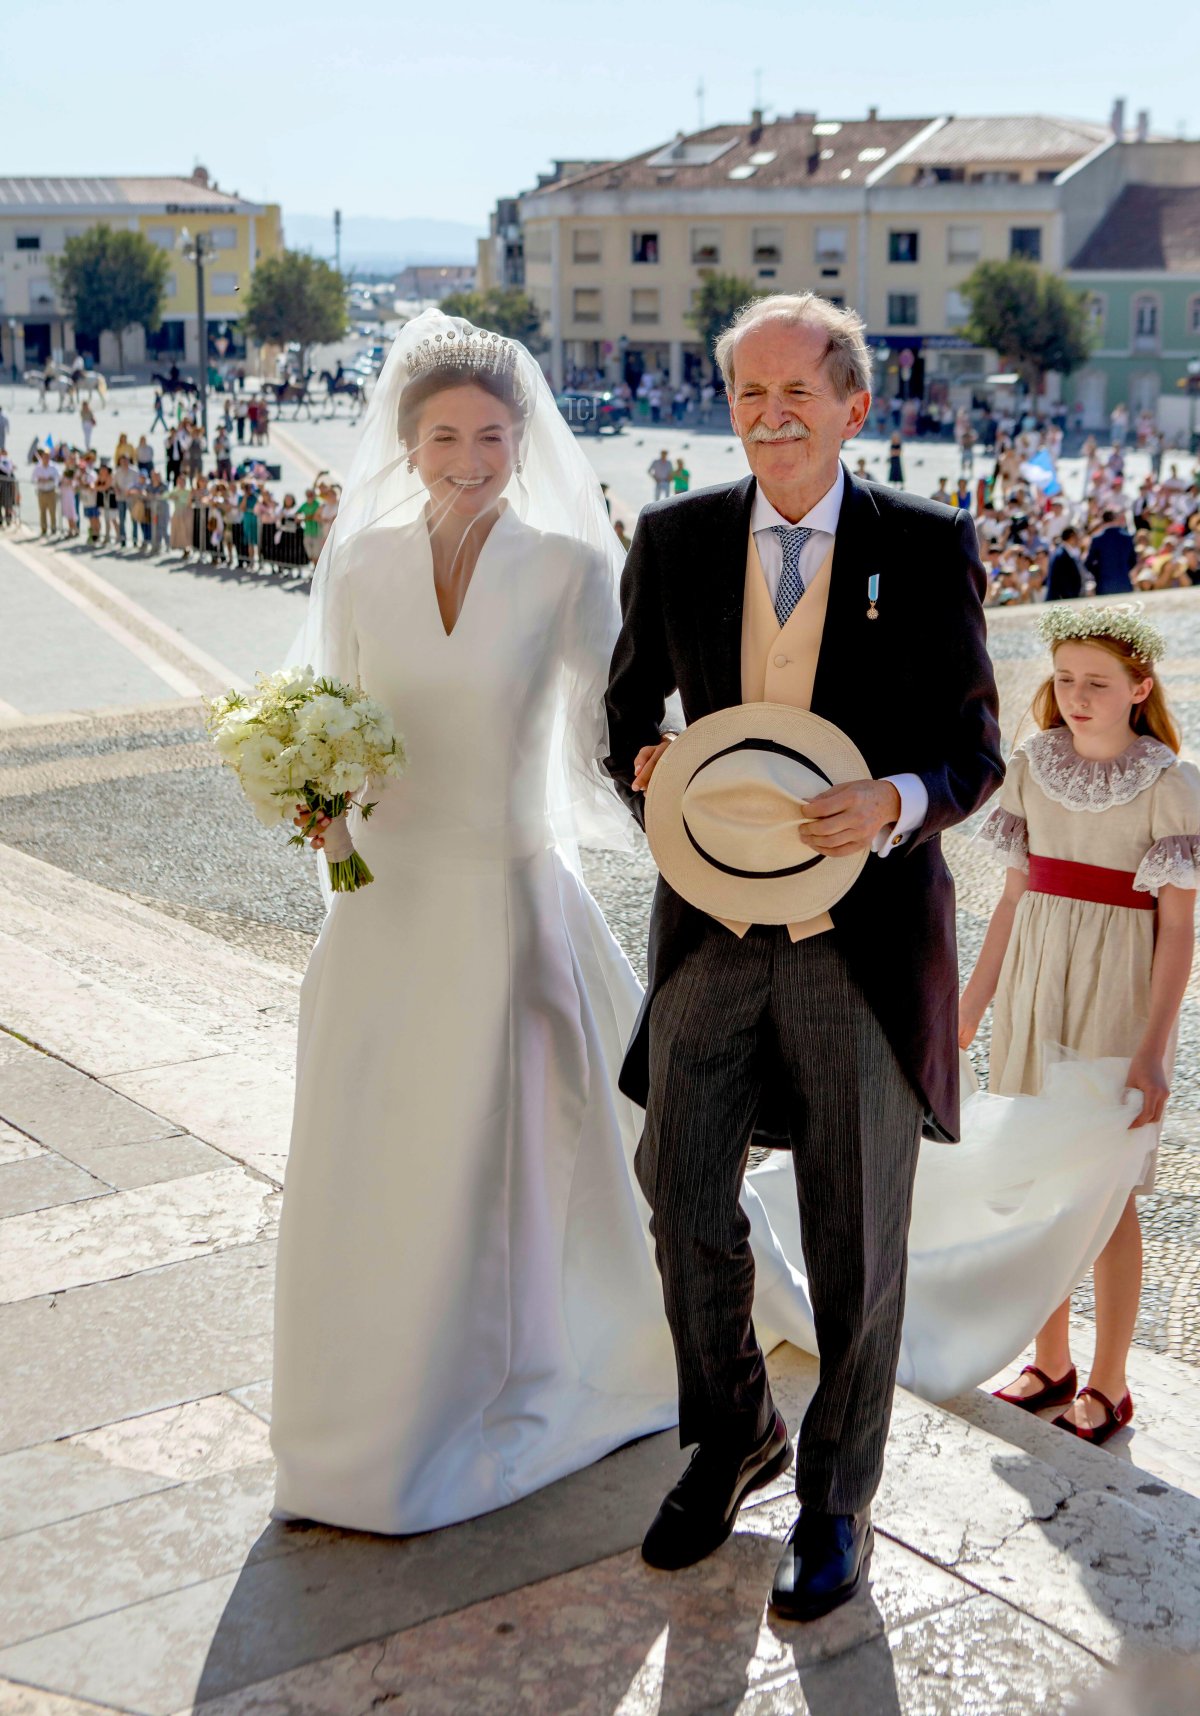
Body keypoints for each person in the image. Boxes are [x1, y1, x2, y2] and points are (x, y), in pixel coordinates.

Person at [604, 292, 1002, 1620]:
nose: (771, 419)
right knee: (680, 1188)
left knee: (856, 1232)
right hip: (709, 935)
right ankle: (733, 1435)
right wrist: (648, 765)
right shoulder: (672, 538)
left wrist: (895, 801)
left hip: (864, 945)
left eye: (796, 395)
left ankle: (837, 1495)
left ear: (853, 408)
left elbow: (974, 753)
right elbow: (623, 719)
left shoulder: (929, 543)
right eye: (747, 397)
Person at [271, 311, 678, 1534]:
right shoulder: (359, 562)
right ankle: (358, 1404)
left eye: (491, 436)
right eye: (444, 434)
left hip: (500, 896)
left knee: (482, 1156)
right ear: (406, 437)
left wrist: (711, 809)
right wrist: (316, 801)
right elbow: (327, 706)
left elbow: (620, 735)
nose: (467, 456)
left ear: (523, 436)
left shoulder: (565, 563)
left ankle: (483, 1387)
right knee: (371, 1145)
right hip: (382, 901)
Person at [962, 606, 1198, 1444]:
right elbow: (1013, 898)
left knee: (1105, 1198)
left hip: (1115, 998)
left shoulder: (1170, 783)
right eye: (1065, 680)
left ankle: (1110, 1382)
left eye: (1097, 683)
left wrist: (1155, 1049)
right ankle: (1050, 1360)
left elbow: (1178, 928)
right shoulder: (1031, 766)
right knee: (1039, 1183)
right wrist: (969, 1007)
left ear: (1140, 688)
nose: (1076, 696)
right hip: (1036, 986)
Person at [1086, 509, 1138, 594]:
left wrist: (1099, 573)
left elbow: (1089, 563)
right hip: (1124, 583)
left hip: (1104, 585)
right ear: (1115, 519)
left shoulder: (1097, 539)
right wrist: (1123, 570)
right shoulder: (1127, 537)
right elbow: (1133, 560)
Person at [1046, 525, 1086, 600]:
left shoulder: (1066, 552)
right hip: (1062, 600)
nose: (1078, 539)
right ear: (1071, 537)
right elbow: (1062, 581)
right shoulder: (1061, 555)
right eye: (1077, 536)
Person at [32, 449, 58, 535]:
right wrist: (39, 479)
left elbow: (58, 478)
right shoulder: (37, 467)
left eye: (47, 457)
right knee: (42, 512)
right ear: (42, 457)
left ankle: (53, 528)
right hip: (41, 491)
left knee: (52, 511)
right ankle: (43, 529)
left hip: (51, 491)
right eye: (44, 457)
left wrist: (50, 479)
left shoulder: (53, 467)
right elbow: (33, 479)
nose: (46, 458)